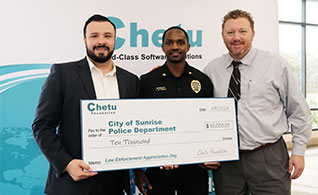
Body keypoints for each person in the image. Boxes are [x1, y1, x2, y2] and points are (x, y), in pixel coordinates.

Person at [203, 9, 313, 195]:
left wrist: (299, 151)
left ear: (253, 34)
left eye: (242, 31)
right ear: (222, 36)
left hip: (268, 156)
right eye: (230, 33)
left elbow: (299, 112)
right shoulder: (211, 70)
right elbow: (199, 113)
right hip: (227, 162)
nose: (236, 37)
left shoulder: (275, 65)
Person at [32, 14, 139, 195]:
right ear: (84, 40)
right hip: (72, 183)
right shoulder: (63, 74)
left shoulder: (130, 80)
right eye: (94, 36)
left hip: (115, 184)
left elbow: (138, 127)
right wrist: (67, 164)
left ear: (115, 40)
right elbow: (42, 126)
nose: (101, 41)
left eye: (107, 36)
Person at [133, 26, 214, 195]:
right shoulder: (148, 81)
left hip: (195, 167)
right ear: (163, 47)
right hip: (159, 167)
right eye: (169, 43)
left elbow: (209, 122)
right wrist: (138, 169)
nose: (175, 47)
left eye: (180, 42)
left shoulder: (203, 80)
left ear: (188, 47)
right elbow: (139, 125)